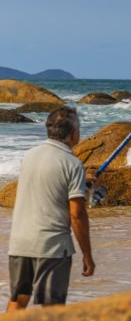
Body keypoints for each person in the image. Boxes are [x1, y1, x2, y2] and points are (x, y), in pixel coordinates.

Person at [6, 107, 95, 311]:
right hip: (52, 248)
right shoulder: (73, 165)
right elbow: (77, 214)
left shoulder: (29, 156)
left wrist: (83, 181)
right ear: (74, 134)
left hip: (20, 243)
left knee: (18, 300)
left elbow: (47, 184)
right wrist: (87, 255)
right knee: (52, 308)